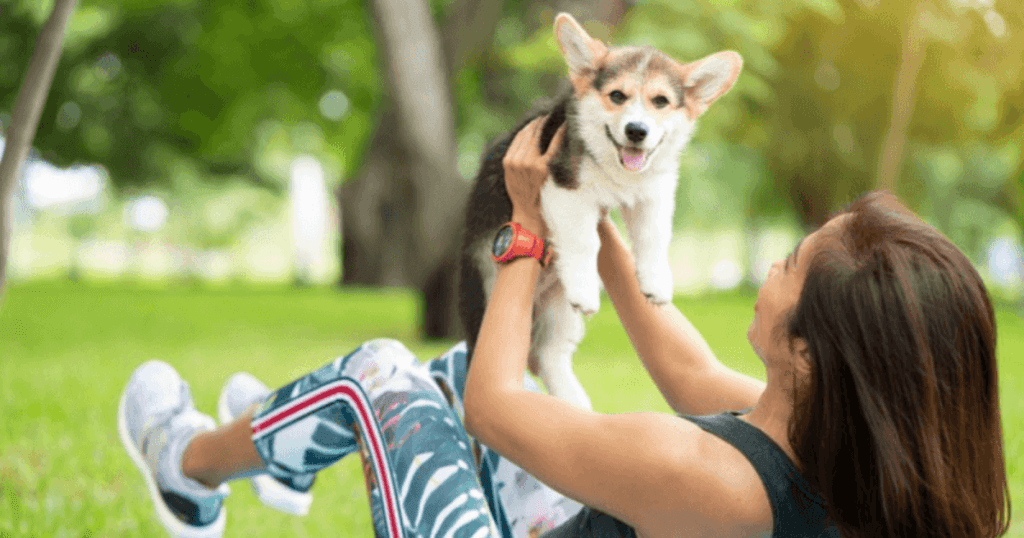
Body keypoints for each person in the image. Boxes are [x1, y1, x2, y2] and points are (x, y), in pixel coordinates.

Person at [118, 116, 1011, 538]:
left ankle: (186, 470)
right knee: (454, 369)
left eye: (791, 265)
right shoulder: (840, 452)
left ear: (810, 351)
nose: (772, 270)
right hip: (566, 525)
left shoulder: (715, 482)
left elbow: (497, 410)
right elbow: (686, 366)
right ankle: (284, 440)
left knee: (388, 374)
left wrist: (525, 230)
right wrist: (590, 212)